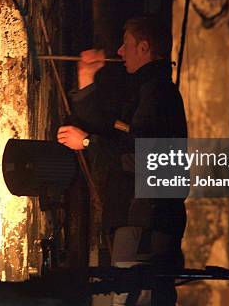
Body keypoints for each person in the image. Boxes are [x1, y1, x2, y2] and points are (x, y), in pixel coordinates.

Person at [57, 16, 188, 305]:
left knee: (134, 297)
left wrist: (88, 142)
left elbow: (142, 156)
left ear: (143, 48)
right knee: (131, 295)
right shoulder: (149, 91)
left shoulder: (157, 94)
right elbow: (116, 130)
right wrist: (86, 81)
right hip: (142, 219)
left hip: (146, 220)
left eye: (126, 44)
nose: (119, 51)